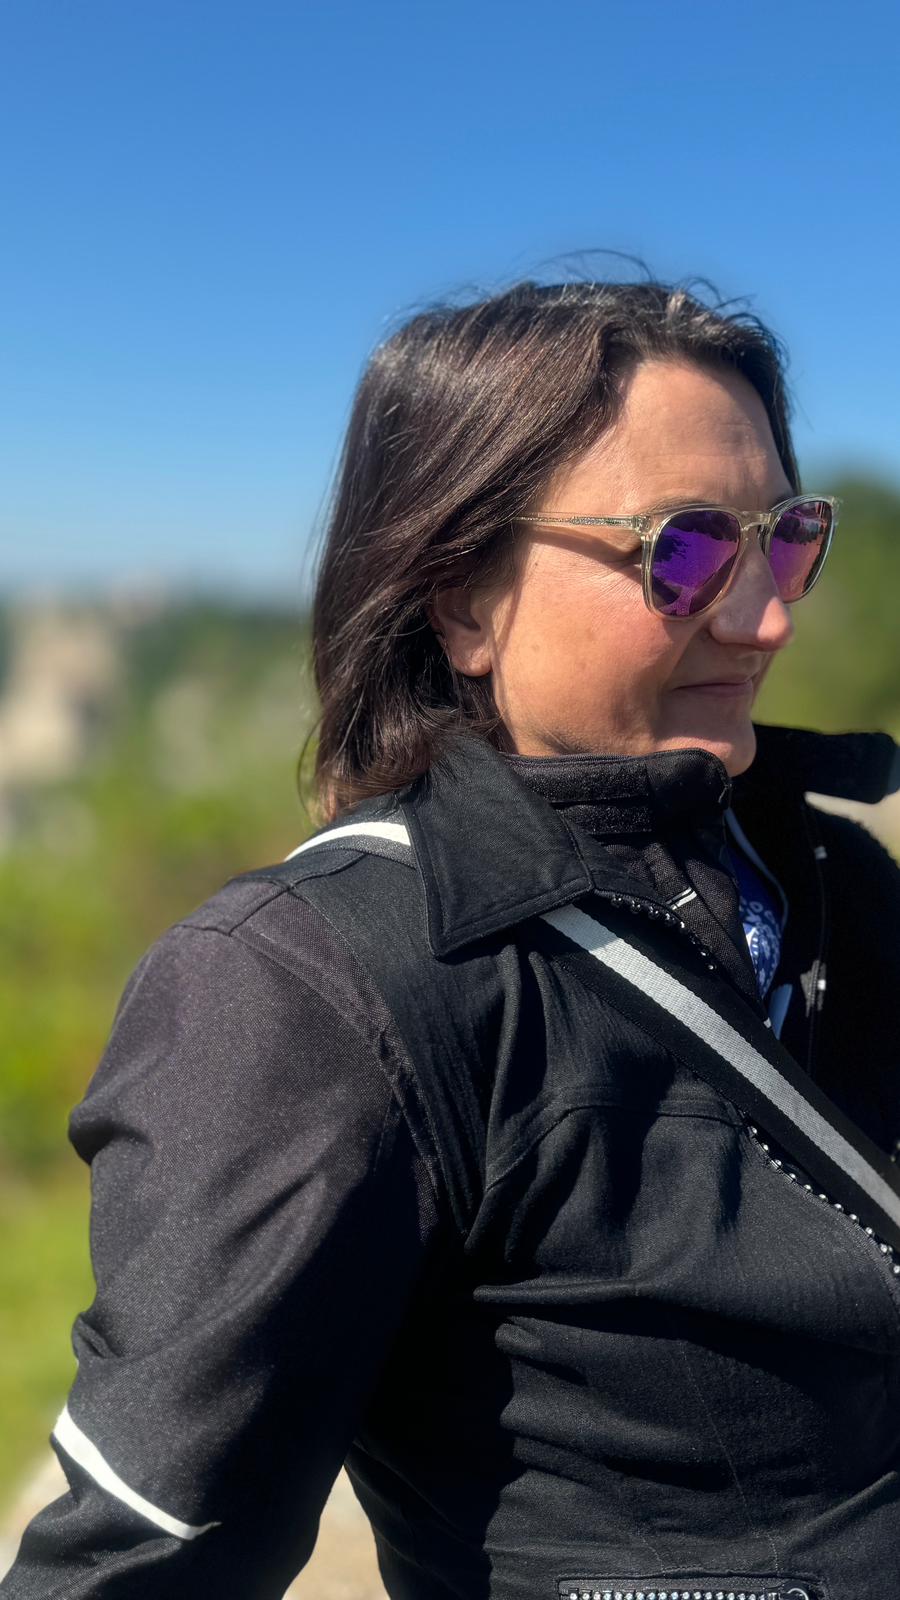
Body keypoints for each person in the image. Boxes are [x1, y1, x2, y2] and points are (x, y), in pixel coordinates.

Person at [4, 279, 900, 1600]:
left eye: (786, 537)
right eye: (684, 552)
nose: (767, 615)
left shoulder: (831, 872)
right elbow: (136, 1565)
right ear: (463, 603)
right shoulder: (311, 989)